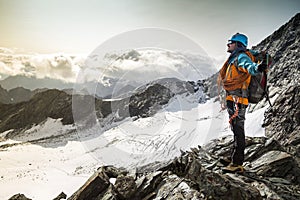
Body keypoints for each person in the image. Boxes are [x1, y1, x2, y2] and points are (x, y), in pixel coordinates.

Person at [218, 33, 267, 172]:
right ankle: (234, 157)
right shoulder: (234, 57)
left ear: (238, 44)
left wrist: (256, 68)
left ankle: (237, 163)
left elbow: (249, 66)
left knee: (238, 129)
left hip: (238, 100)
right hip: (233, 99)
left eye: (230, 42)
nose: (228, 44)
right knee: (235, 128)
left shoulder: (241, 57)